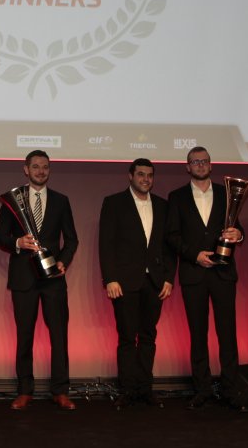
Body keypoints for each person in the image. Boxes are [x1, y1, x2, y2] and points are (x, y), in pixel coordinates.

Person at [0, 150, 79, 411]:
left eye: (45, 167)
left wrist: (63, 261)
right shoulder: (13, 200)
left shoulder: (61, 200)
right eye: (36, 167)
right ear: (26, 169)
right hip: (23, 278)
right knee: (24, 335)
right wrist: (18, 242)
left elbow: (72, 239)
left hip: (53, 278)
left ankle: (60, 391)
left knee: (59, 335)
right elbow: (0, 237)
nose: (41, 171)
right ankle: (24, 391)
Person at [166, 146, 246, 412]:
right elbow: (172, 235)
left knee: (228, 334)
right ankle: (202, 390)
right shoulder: (176, 197)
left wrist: (238, 235)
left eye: (204, 161)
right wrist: (194, 255)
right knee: (198, 335)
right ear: (187, 167)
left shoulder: (227, 193)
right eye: (194, 161)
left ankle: (230, 390)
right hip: (194, 273)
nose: (200, 165)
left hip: (223, 273)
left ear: (211, 165)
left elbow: (237, 228)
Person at [98, 158, 173, 409]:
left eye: (149, 175)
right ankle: (127, 390)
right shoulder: (114, 203)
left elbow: (169, 246)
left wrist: (169, 278)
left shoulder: (162, 205)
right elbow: (106, 244)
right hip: (124, 282)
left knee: (149, 337)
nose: (145, 179)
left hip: (155, 282)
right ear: (130, 176)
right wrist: (110, 278)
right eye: (141, 174)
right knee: (128, 338)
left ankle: (145, 389)